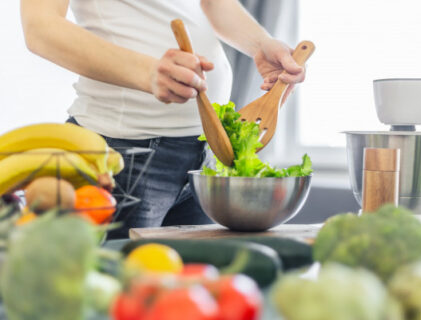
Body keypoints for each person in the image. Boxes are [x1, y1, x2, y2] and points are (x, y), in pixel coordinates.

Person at [20, 0, 307, 238]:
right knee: (114, 293)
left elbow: (213, 3)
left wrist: (261, 44)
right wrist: (148, 72)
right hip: (123, 157)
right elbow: (41, 28)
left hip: (204, 155)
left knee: (187, 295)